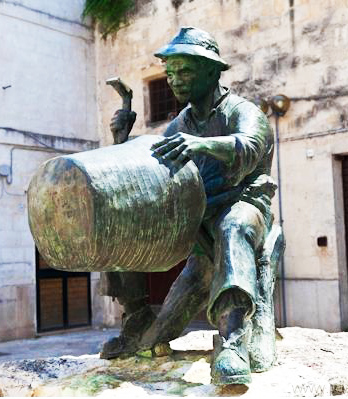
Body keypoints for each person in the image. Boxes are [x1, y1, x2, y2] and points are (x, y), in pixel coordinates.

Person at [100, 26, 277, 385]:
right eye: (170, 73)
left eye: (185, 72)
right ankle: (136, 318)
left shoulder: (243, 111)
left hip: (245, 205)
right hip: (198, 216)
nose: (175, 81)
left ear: (212, 71)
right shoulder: (182, 122)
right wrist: (122, 138)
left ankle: (232, 341)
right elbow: (153, 166)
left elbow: (250, 145)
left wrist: (202, 145)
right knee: (128, 219)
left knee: (233, 226)